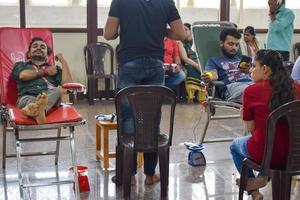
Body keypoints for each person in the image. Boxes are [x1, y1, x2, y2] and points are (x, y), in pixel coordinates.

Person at [104, 0, 185, 185]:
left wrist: (123, 28)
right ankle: (150, 174)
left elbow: (108, 33)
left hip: (129, 63)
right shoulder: (166, 2)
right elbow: (180, 33)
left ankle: (129, 175)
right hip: (156, 65)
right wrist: (161, 30)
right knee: (152, 117)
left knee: (127, 117)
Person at [230, 49, 300, 199]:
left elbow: (251, 129)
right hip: (296, 155)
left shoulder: (251, 91)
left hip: (267, 156)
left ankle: (254, 190)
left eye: (254, 66)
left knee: (235, 145)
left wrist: (245, 114)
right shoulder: (297, 88)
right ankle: (261, 179)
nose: (250, 70)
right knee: (276, 141)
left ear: (265, 68)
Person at [12, 37, 73, 125]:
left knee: (57, 91)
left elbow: (68, 85)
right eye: (35, 46)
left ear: (47, 56)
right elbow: (23, 75)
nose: (39, 48)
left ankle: (33, 110)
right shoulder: (21, 65)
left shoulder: (54, 69)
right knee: (29, 100)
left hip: (49, 97)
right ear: (29, 54)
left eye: (42, 47)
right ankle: (39, 111)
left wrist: (63, 61)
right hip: (26, 97)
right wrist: (44, 71)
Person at [203, 28, 252, 103]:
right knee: (255, 92)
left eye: (236, 45)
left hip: (251, 84)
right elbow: (213, 74)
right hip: (232, 87)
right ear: (221, 43)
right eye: (230, 44)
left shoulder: (243, 58)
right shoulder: (214, 60)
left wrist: (250, 71)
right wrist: (209, 76)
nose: (234, 48)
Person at [178, 23, 202, 103]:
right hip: (188, 64)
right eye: (182, 30)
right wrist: (197, 65)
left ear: (191, 31)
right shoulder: (180, 43)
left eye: (186, 29)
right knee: (191, 69)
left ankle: (201, 96)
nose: (184, 32)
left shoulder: (196, 42)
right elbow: (185, 58)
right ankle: (190, 96)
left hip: (199, 63)